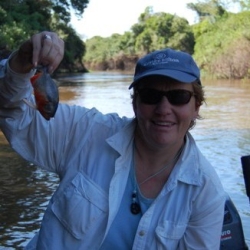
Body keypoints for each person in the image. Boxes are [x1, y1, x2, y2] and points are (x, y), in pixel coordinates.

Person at [0, 31, 226, 250]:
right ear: (135, 103)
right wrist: (22, 61)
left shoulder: (206, 192)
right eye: (150, 96)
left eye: (179, 97)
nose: (163, 109)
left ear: (196, 107)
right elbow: (13, 113)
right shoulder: (86, 133)